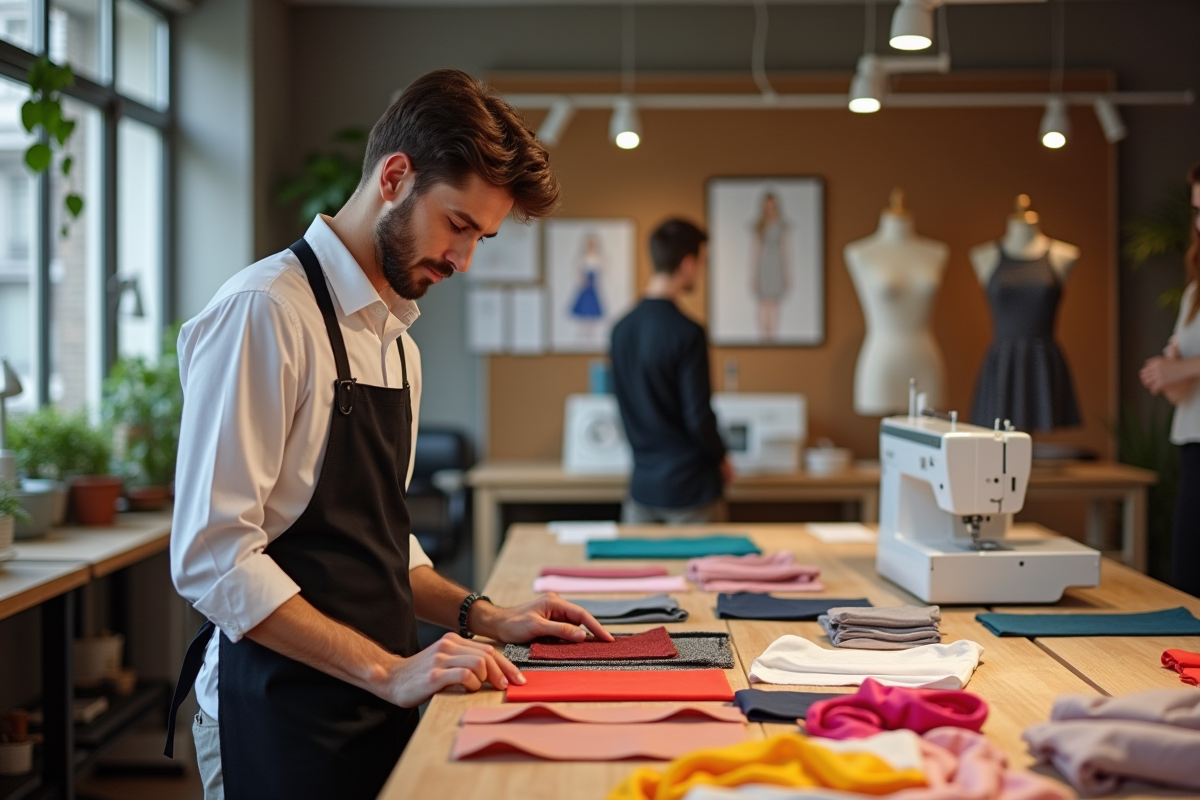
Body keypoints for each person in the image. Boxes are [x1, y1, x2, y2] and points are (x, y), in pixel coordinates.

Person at [165, 69, 612, 800]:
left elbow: (379, 545)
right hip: (280, 710)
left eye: (481, 238)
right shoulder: (263, 313)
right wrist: (384, 668)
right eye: (459, 225)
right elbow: (214, 559)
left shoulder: (397, 340)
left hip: (376, 699)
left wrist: (488, 616)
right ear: (395, 176)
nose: (463, 260)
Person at [610, 218, 730, 524]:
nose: (702, 271)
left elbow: (623, 406)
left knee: (641, 574)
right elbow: (698, 416)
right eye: (703, 262)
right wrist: (721, 458)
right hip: (691, 495)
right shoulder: (688, 332)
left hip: (642, 491)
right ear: (688, 264)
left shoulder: (620, 329)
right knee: (701, 573)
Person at [1141, 162, 1200, 598]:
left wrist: (1183, 367)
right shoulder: (1194, 293)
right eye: (1197, 211)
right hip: (1192, 440)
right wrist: (1167, 372)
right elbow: (1180, 391)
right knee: (1188, 576)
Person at [752, 192, 790, 342]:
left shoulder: (781, 226)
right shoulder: (760, 227)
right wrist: (754, 274)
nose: (770, 210)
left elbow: (785, 250)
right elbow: (756, 251)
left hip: (776, 264)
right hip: (764, 264)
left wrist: (787, 274)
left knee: (774, 302)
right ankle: (764, 333)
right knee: (763, 302)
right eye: (768, 207)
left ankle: (773, 334)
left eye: (772, 207)